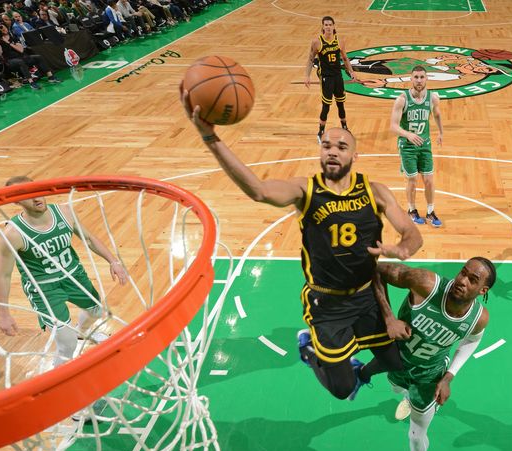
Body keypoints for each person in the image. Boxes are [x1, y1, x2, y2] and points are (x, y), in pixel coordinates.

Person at [180, 88, 423, 401]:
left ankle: (360, 372)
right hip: (328, 304)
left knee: (394, 362)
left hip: (367, 297)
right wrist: (210, 138)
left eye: (341, 146)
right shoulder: (304, 190)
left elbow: (411, 232)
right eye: (326, 146)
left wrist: (404, 247)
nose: (332, 151)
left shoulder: (375, 192)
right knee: (342, 390)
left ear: (354, 156)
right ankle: (310, 351)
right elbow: (258, 190)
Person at [372, 258, 493, 451]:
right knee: (395, 388)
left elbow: (472, 341)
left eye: (472, 279)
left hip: (429, 375)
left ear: (483, 290)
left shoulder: (478, 317)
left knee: (416, 434)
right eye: (463, 273)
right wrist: (388, 319)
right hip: (398, 360)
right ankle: (406, 395)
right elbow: (375, 270)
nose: (462, 280)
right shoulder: (426, 284)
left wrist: (448, 377)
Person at [0, 176, 128, 370]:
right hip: (45, 290)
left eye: (36, 190)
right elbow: (2, 276)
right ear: (16, 201)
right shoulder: (13, 234)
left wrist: (113, 261)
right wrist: (3, 315)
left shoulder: (64, 211)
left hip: (75, 276)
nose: (35, 198)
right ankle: (61, 377)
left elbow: (89, 238)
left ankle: (83, 331)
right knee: (68, 344)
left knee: (97, 311)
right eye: (26, 195)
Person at [390, 65, 443, 227]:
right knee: (412, 179)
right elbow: (393, 126)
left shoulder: (433, 98)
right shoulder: (402, 100)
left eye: (422, 77)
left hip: (425, 145)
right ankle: (411, 210)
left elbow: (437, 114)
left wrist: (441, 133)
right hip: (407, 146)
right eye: (416, 77)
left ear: (426, 79)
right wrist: (408, 134)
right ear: (411, 79)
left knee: (429, 180)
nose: (419, 80)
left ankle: (430, 211)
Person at [304, 16, 358, 143]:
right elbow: (311, 59)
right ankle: (320, 131)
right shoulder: (317, 42)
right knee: (326, 106)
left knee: (341, 104)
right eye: (326, 25)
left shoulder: (339, 41)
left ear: (334, 26)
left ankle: (345, 127)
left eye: (330, 24)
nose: (328, 27)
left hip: (337, 75)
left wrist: (351, 72)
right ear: (322, 27)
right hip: (326, 77)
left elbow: (345, 58)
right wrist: (307, 75)